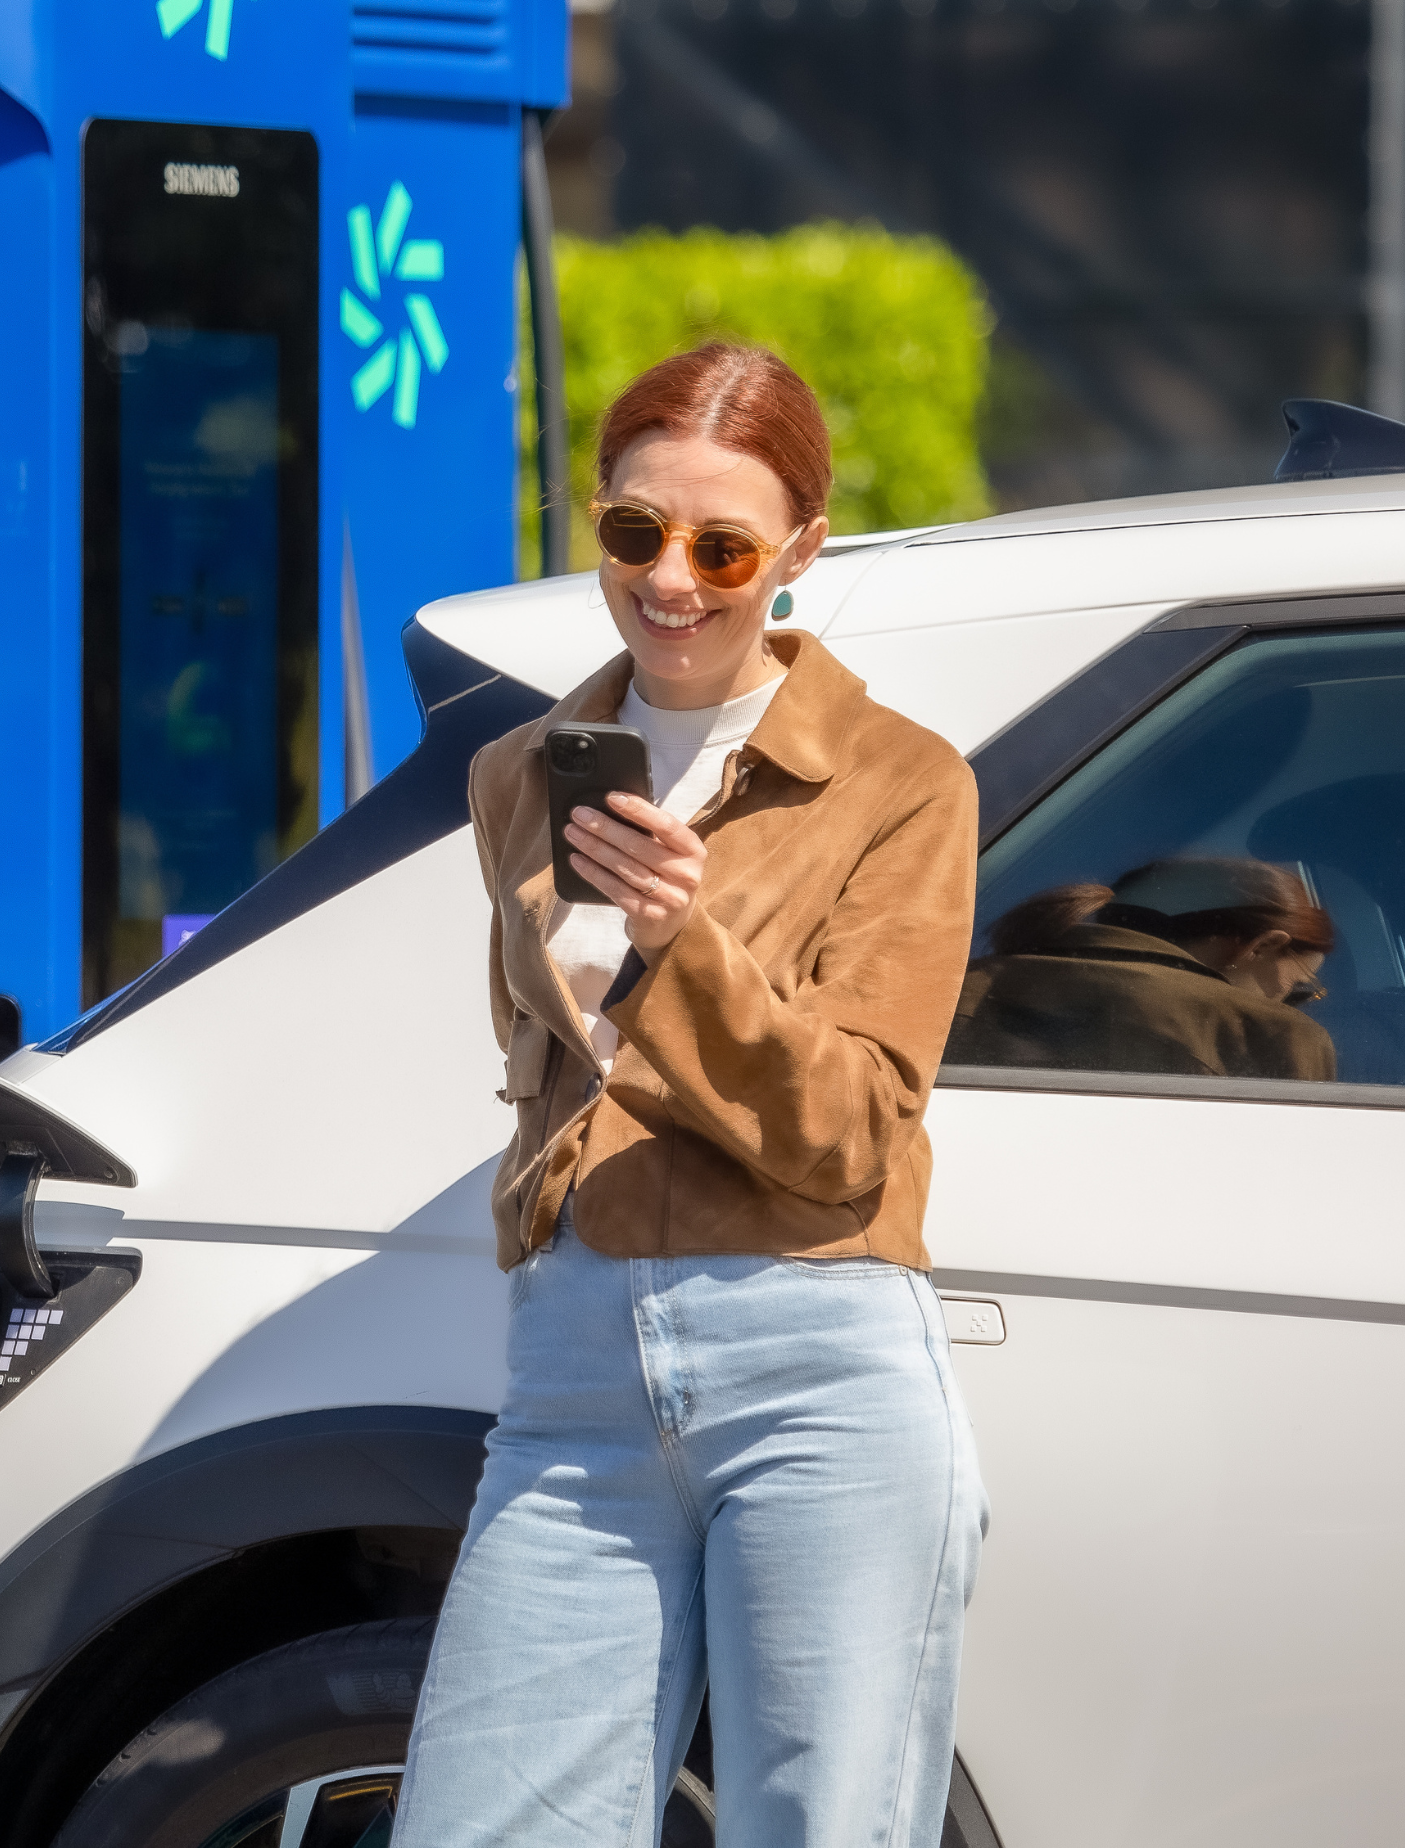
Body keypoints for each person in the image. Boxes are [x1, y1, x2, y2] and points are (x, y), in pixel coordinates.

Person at [392, 343, 985, 1848]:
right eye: (634, 533)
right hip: (578, 1371)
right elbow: (540, 1069)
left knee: (821, 1825)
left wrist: (682, 943)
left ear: (799, 553)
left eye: (723, 546)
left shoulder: (899, 783)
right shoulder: (523, 773)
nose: (673, 579)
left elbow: (851, 1126)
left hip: (819, 1361)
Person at [946, 857, 1339, 1080]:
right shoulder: (1272, 1038)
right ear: (1264, 946)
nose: (1288, 1001)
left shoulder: (958, 986)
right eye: (1302, 986)